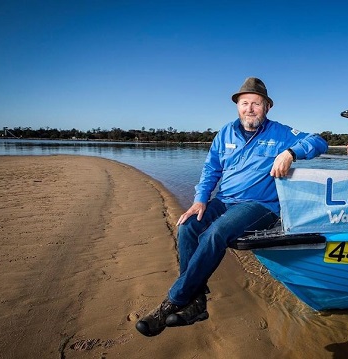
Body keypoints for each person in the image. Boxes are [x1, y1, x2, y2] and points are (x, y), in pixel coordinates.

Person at [136, 77, 328, 337]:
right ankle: (198, 303)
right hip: (224, 200)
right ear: (238, 106)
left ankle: (174, 301)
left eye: (256, 104)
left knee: (215, 233)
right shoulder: (225, 133)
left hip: (260, 205)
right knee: (188, 227)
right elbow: (211, 169)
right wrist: (200, 199)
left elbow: (319, 141)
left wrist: (290, 153)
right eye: (245, 103)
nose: (250, 108)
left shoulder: (280, 132)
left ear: (267, 107)